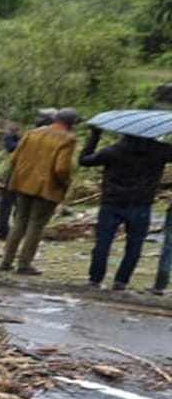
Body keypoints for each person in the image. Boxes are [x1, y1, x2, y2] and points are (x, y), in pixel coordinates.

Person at [79, 124, 172, 290]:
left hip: (112, 201)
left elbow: (84, 160)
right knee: (135, 245)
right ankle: (121, 280)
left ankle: (95, 278)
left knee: (103, 242)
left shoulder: (113, 150)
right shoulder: (160, 151)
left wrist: (94, 135)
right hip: (141, 203)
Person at [0, 108, 80, 275]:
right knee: (35, 225)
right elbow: (61, 168)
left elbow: (14, 158)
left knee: (19, 222)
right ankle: (24, 264)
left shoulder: (32, 133)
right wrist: (66, 183)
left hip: (23, 183)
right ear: (71, 123)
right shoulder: (68, 139)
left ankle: (6, 262)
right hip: (47, 188)